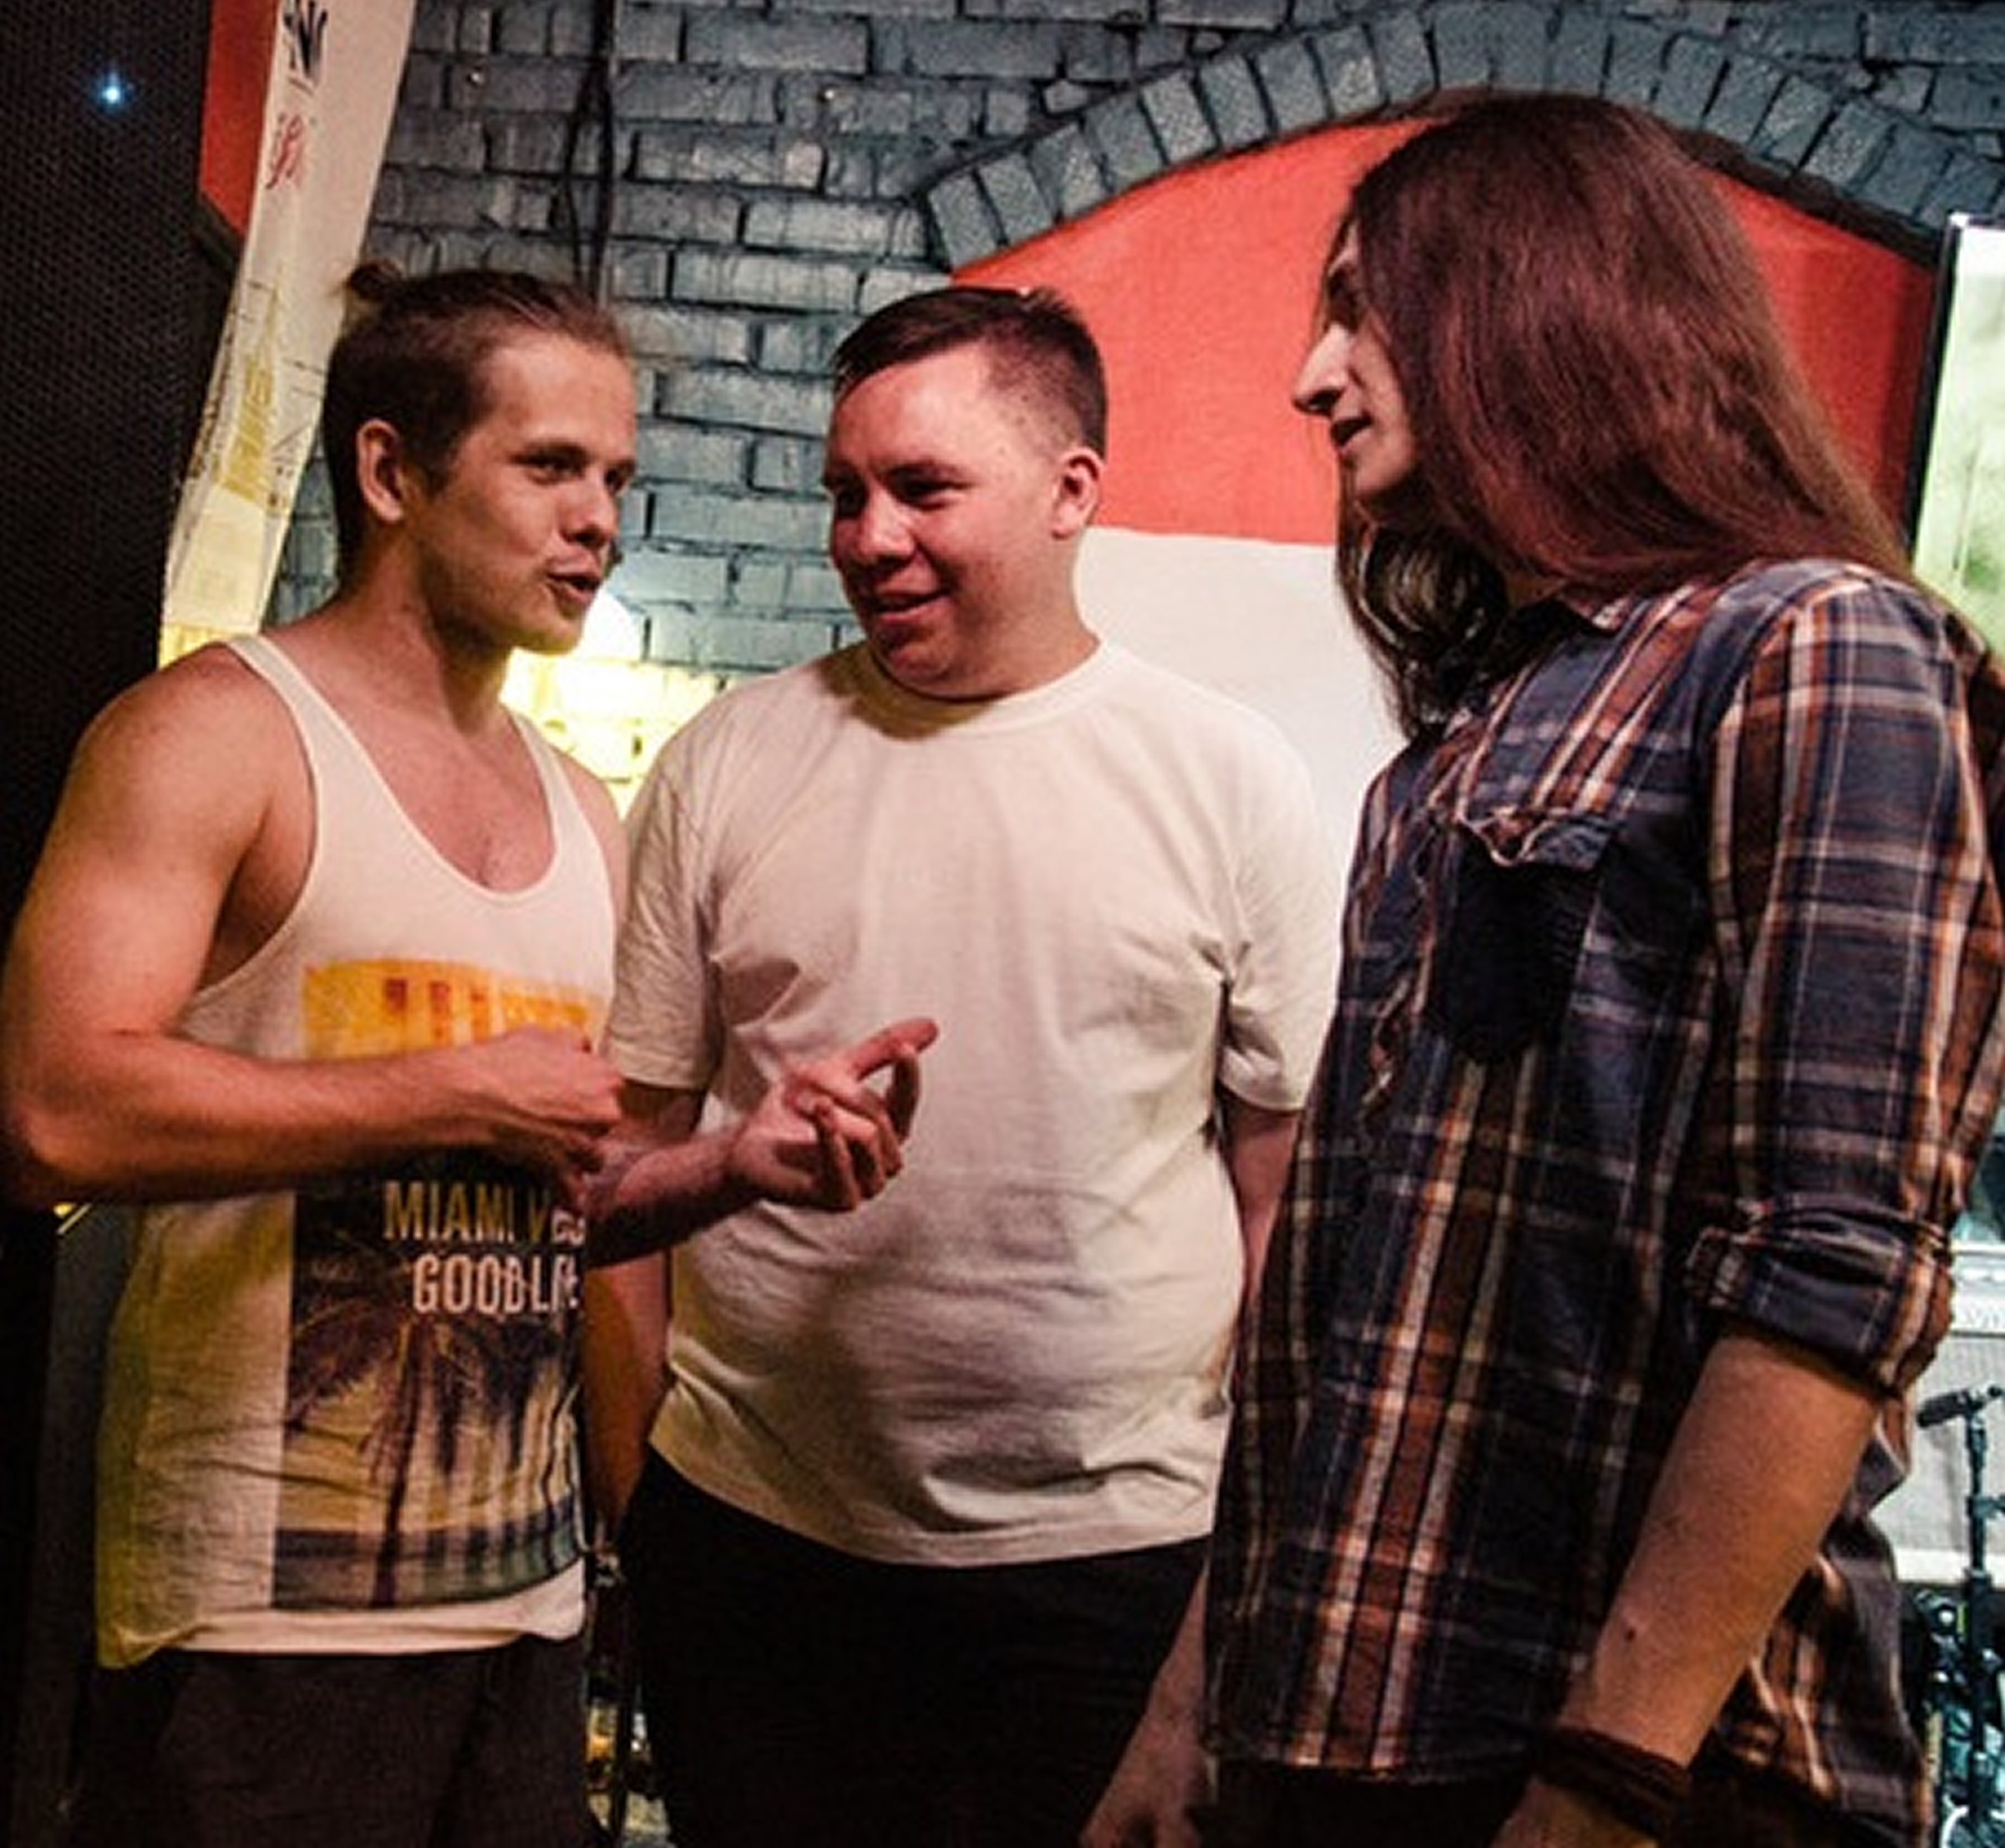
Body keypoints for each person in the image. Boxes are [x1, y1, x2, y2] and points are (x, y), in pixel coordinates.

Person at [0, 263, 930, 1848]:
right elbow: (54, 1113)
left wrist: (736, 1164)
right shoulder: (216, 734)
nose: (599, 521)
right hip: (261, 1619)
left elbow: (556, 1200)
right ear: (391, 473)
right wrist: (450, 1090)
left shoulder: (582, 810)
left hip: (520, 1607)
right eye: (550, 466)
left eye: (615, 476)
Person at [1199, 93, 2005, 1848]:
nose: (1314, 377)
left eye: (1360, 311)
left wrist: (1610, 1771)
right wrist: (1189, 1717)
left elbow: (1837, 1267)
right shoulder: (1461, 744)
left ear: (1528, 304)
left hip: (1645, 1766)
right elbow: (1338, 1314)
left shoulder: (1817, 645)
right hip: (1348, 1730)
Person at [584, 284, 1338, 1847]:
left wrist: (1228, 1598)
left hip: (1108, 1564)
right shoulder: (726, 761)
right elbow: (626, 1163)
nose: (869, 539)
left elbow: (1283, 1210)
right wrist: (640, 1507)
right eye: (844, 493)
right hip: (751, 1537)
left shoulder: (1229, 780)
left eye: (924, 488)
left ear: (1072, 491)